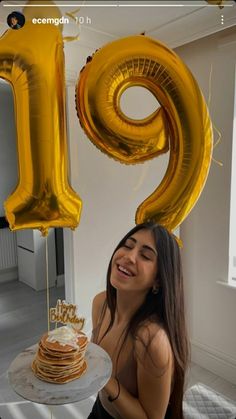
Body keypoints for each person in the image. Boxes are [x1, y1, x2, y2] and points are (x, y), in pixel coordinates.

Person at [88, 221, 189, 419]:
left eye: (145, 255)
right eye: (128, 245)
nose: (129, 256)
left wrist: (105, 379)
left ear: (158, 280)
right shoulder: (101, 304)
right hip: (100, 410)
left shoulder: (150, 339)